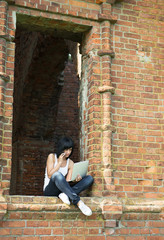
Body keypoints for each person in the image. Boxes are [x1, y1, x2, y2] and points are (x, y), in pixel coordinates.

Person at [43, 136, 94, 216]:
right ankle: (78, 202)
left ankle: (65, 195)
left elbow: (67, 182)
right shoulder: (52, 157)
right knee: (57, 175)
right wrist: (59, 163)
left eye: (70, 150)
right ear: (61, 148)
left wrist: (75, 181)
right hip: (50, 190)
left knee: (89, 179)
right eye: (66, 149)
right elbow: (50, 175)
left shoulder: (70, 163)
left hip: (63, 190)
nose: (68, 152)